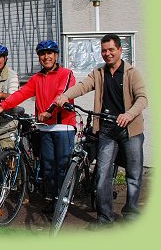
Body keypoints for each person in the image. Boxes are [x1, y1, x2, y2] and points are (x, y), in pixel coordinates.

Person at [55, 33, 147, 229]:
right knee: (102, 174)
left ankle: (131, 211)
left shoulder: (131, 73)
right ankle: (105, 219)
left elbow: (142, 99)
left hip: (130, 130)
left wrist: (129, 114)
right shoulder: (98, 73)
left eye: (111, 50)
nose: (107, 54)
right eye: (104, 50)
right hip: (107, 131)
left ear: (120, 50)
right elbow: (82, 86)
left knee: (134, 173)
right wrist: (65, 96)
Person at [0, 40, 76, 214]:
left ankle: (62, 201)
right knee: (48, 166)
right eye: (42, 54)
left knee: (61, 166)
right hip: (45, 128)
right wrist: (4, 105)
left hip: (63, 127)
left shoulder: (66, 73)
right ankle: (53, 199)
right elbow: (22, 93)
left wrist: (48, 112)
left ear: (56, 56)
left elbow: (62, 95)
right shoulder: (37, 78)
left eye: (49, 53)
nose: (46, 57)